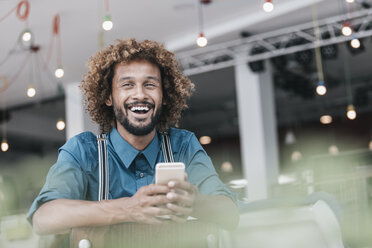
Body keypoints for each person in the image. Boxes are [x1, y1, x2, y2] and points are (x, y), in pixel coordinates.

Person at [27, 38, 239, 235]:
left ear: (164, 96)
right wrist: (128, 208)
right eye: (127, 85)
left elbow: (230, 214)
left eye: (150, 84)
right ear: (108, 97)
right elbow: (44, 218)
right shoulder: (83, 151)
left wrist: (193, 203)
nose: (140, 94)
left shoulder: (183, 146)